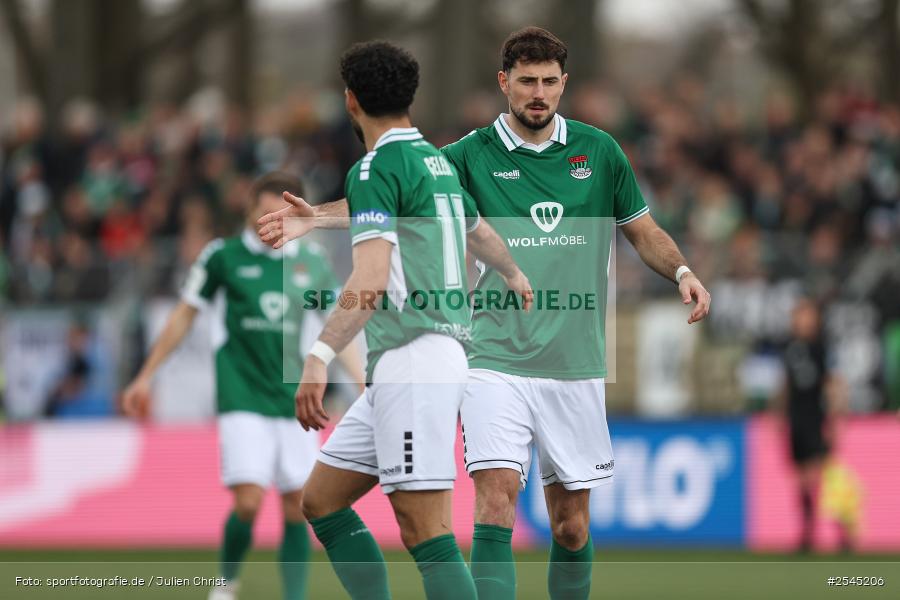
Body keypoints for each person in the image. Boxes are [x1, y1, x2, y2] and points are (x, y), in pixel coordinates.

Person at [258, 27, 711, 600]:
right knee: (494, 495)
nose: (538, 93)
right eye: (527, 82)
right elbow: (400, 192)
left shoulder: (599, 152)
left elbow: (642, 231)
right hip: (488, 354)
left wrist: (683, 272)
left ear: (564, 84)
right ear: (505, 84)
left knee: (570, 525)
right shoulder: (465, 155)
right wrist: (317, 217)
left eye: (549, 82)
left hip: (573, 362)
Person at [290, 41, 531, 600]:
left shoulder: (374, 167)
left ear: (350, 101)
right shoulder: (436, 162)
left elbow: (369, 281)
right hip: (419, 361)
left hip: (415, 361)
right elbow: (481, 232)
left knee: (426, 529)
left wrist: (319, 355)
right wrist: (514, 273)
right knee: (321, 500)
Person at [122, 172, 364, 600]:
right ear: (249, 208)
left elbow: (336, 326)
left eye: (284, 211)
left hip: (294, 402)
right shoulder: (223, 257)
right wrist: (146, 376)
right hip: (242, 397)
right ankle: (226, 583)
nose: (274, 218)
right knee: (249, 501)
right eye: (266, 209)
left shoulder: (310, 260)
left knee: (298, 505)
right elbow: (183, 315)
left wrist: (363, 383)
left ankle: (294, 596)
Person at [777, 297, 846, 552]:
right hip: (796, 420)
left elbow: (833, 384)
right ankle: (808, 532)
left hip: (816, 418)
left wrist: (836, 419)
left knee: (822, 478)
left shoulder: (821, 348)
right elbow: (785, 385)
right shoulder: (790, 348)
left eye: (806, 316)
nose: (801, 321)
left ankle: (841, 531)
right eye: (798, 316)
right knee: (802, 479)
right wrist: (779, 415)